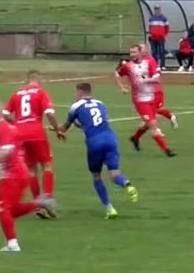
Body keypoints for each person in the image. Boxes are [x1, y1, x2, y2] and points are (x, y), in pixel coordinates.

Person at [0, 102, 56, 251]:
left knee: (2, 207)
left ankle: (13, 244)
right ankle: (39, 204)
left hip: (13, 174)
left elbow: (7, 150)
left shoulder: (2, 127)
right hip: (16, 173)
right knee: (10, 210)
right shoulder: (5, 127)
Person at [57, 83, 139, 219]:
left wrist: (58, 130)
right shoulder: (100, 103)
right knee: (114, 174)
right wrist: (80, 125)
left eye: (76, 92)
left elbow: (65, 127)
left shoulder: (76, 106)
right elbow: (92, 122)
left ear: (80, 92)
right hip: (111, 139)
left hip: (95, 142)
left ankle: (109, 208)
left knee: (96, 176)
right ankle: (127, 184)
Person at [4, 71, 63, 208]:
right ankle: (47, 199)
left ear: (27, 80)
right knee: (47, 165)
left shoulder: (17, 94)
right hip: (36, 132)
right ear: (38, 80)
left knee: (31, 169)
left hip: (20, 133)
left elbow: (5, 114)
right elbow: (49, 113)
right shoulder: (41, 93)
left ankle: (37, 202)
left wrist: (16, 124)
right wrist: (57, 129)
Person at [116, 46, 177, 156]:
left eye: (134, 52)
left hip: (152, 97)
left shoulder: (148, 62)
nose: (132, 54)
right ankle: (167, 150)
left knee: (148, 123)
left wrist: (146, 80)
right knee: (153, 124)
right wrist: (122, 87)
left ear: (140, 53)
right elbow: (118, 73)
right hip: (140, 100)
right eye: (131, 52)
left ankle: (135, 138)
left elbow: (157, 78)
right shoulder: (128, 66)